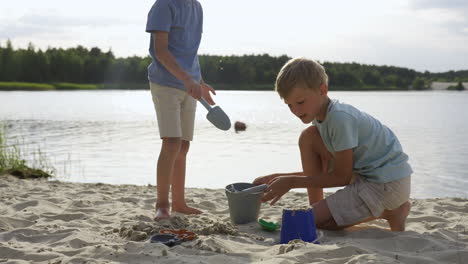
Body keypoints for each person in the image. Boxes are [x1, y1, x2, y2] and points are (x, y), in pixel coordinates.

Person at [254, 58, 412, 231]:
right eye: (290, 105)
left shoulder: (339, 118)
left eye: (300, 102)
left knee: (308, 222)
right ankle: (318, 207)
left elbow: (341, 177)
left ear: (323, 89)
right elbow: (328, 170)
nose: (296, 111)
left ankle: (393, 211)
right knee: (308, 137)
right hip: (365, 176)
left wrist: (291, 182)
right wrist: (277, 178)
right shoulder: (320, 117)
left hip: (386, 184)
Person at [146, 0, 216, 220]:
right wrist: (187, 79)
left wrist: (200, 82)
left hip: (190, 85)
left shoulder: (197, 7)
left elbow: (190, 51)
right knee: (172, 142)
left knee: (184, 146)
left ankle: (179, 202)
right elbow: (161, 51)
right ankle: (162, 204)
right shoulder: (164, 5)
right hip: (165, 83)